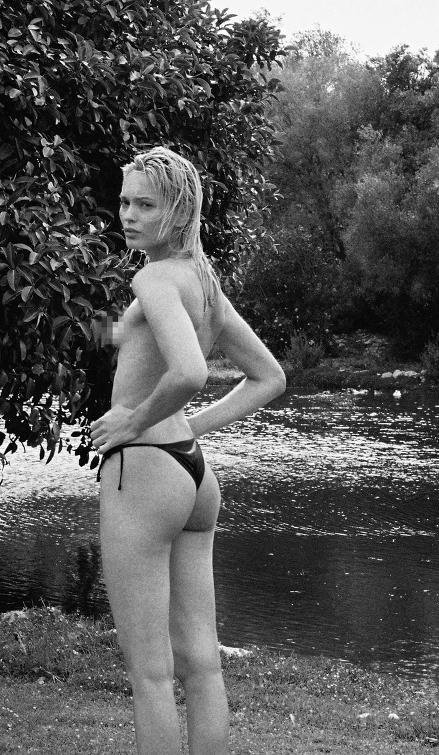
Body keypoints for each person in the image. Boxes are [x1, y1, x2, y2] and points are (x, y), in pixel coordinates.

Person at [88, 146, 287, 755]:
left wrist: (133, 421)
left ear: (178, 211)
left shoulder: (153, 278)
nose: (128, 215)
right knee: (202, 663)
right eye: (124, 202)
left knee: (150, 673)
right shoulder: (200, 282)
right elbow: (269, 377)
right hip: (193, 478)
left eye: (145, 205)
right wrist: (188, 428)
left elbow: (190, 372)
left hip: (146, 475)